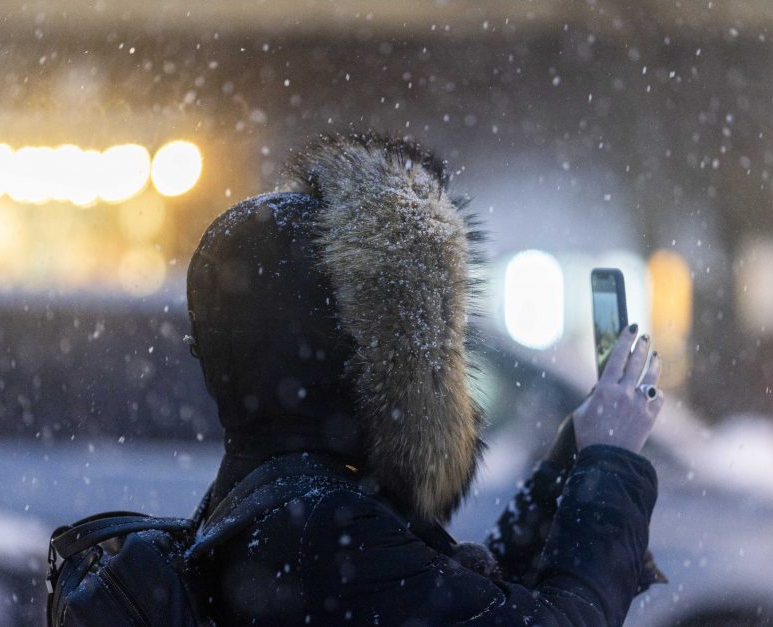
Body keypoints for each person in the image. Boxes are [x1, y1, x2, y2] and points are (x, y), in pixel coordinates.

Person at [185, 132, 664, 626]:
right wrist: (610, 466)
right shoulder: (323, 529)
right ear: (371, 351)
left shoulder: (278, 501)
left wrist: (573, 461)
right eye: (425, 337)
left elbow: (472, 604)